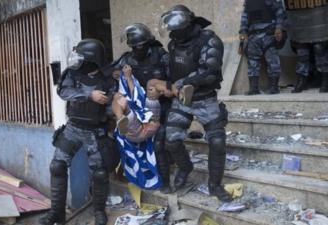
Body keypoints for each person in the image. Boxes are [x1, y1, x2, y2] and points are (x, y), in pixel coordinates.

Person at [159, 4, 232, 202]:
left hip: (205, 98)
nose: (172, 33)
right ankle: (185, 167)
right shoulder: (174, 44)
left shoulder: (209, 40)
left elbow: (209, 70)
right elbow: (172, 71)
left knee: (217, 142)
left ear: (186, 25)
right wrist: (165, 85)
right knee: (171, 140)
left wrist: (183, 82)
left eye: (175, 29)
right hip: (181, 100)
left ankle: (215, 185)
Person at [40, 39, 117, 225]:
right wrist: (90, 95)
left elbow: (112, 104)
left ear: (92, 59)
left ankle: (98, 211)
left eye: (81, 56)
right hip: (73, 128)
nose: (76, 59)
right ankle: (56, 213)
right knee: (57, 166)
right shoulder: (71, 74)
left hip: (95, 131)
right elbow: (64, 92)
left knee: (99, 173)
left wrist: (108, 111)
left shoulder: (107, 79)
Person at [111, 23, 174, 193]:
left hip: (162, 106)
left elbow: (173, 81)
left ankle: (165, 181)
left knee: (159, 142)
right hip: (139, 107)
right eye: (134, 46)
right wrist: (120, 76)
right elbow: (112, 76)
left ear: (148, 42)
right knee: (121, 108)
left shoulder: (161, 56)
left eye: (141, 45)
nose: (138, 49)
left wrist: (163, 92)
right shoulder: (127, 59)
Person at [238, 0, 285, 95]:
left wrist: (279, 27)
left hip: (269, 33)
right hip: (253, 35)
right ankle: (254, 88)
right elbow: (245, 16)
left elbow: (279, 11)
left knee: (273, 61)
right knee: (252, 62)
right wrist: (243, 31)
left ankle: (274, 87)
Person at [286, 1, 328, 93]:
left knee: (319, 49)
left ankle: (325, 81)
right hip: (299, 24)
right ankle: (302, 81)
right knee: (302, 53)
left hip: (319, 23)